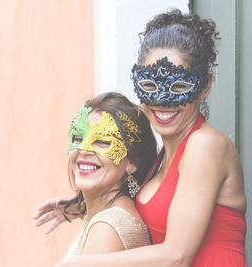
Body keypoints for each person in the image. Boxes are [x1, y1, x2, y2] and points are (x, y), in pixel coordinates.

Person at [33, 9, 247, 266]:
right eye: (149, 86)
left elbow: (176, 255)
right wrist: (80, 207)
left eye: (179, 87)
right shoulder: (163, 157)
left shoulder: (205, 145)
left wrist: (77, 263)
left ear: (205, 86)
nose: (162, 101)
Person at [46, 92, 157, 258]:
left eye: (103, 141)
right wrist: (81, 207)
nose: (83, 149)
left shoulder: (107, 228)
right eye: (78, 138)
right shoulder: (106, 214)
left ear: (133, 162)